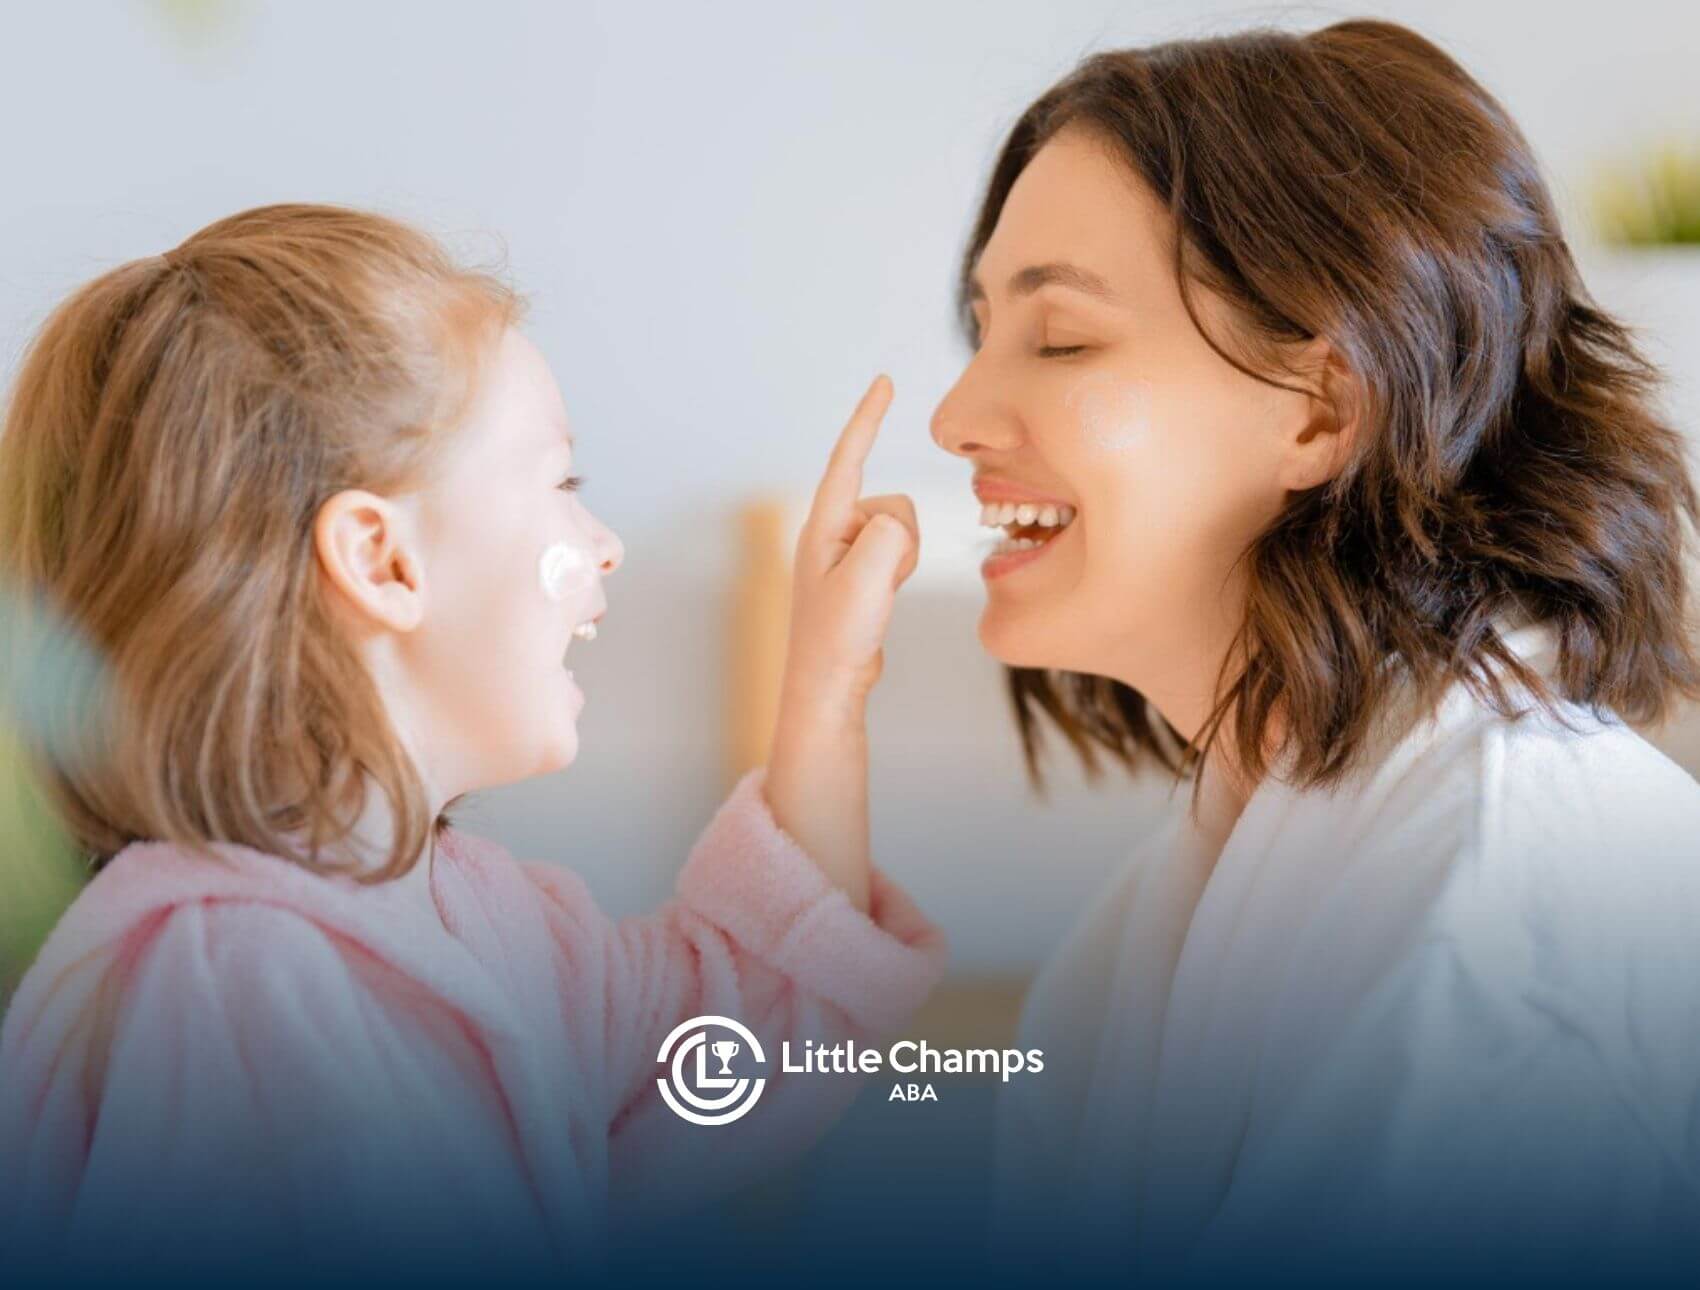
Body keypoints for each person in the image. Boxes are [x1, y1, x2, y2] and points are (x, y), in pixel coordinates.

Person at [0, 204, 944, 1280]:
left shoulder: (493, 931)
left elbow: (742, 1034)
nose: (605, 545)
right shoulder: (226, 983)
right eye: (561, 488)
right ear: (384, 561)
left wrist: (827, 678)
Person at [930, 19, 1700, 1280]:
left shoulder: (1501, 903)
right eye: (981, 333)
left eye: (1059, 338)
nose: (954, 417)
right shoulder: (1131, 955)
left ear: (1323, 409)